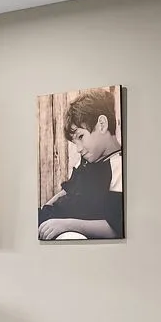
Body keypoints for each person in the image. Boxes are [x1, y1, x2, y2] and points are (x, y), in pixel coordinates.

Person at [38, 88, 124, 240]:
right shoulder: (86, 160)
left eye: (81, 137)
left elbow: (115, 228)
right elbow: (68, 191)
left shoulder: (118, 167)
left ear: (102, 124)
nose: (78, 149)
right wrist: (45, 208)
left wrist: (67, 225)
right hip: (52, 220)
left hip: (69, 231)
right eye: (74, 142)